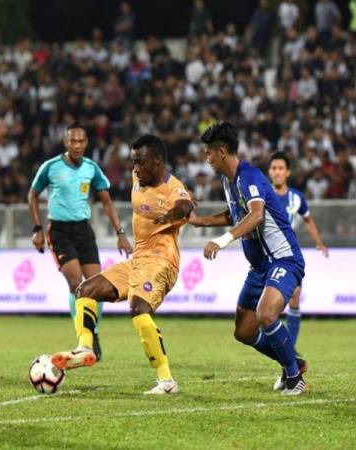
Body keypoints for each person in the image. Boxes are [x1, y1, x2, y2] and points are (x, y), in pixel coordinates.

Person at [50, 135, 193, 394]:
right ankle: (85, 347)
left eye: (140, 163)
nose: (135, 169)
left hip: (162, 261)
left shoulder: (173, 188)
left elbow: (185, 205)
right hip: (137, 260)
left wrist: (172, 214)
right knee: (85, 291)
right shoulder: (139, 180)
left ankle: (166, 380)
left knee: (139, 307)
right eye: (133, 162)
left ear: (158, 162)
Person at [188, 122, 308, 395]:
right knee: (243, 331)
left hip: (284, 260)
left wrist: (222, 240)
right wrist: (199, 221)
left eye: (208, 153)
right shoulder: (227, 181)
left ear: (221, 151)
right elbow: (234, 214)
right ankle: (294, 362)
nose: (206, 159)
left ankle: (294, 378)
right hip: (259, 268)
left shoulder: (249, 177)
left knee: (266, 315)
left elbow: (256, 215)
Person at [28, 122, 133, 361]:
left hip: (83, 229)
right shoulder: (51, 167)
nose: (76, 145)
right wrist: (37, 228)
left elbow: (106, 201)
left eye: (80, 141)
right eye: (72, 141)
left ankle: (92, 332)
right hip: (60, 231)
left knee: (97, 285)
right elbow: (33, 194)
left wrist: (120, 232)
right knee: (76, 283)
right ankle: (82, 337)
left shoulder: (91, 169)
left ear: (86, 143)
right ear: (66, 143)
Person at [268, 152, 328, 372]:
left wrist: (318, 242)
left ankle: (290, 359)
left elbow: (308, 220)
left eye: (281, 168)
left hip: (288, 257)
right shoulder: (263, 195)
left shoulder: (296, 198)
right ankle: (287, 357)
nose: (277, 172)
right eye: (273, 168)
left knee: (294, 297)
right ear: (269, 172)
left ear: (288, 172)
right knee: (265, 314)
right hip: (266, 258)